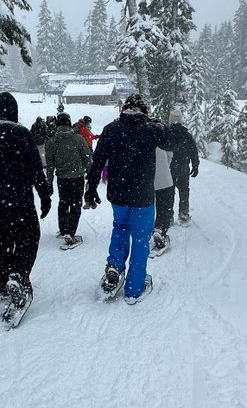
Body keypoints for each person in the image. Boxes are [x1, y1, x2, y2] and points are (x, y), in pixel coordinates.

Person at [0, 91, 50, 310]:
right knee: (29, 237)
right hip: (21, 200)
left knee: (0, 242)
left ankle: (4, 283)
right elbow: (35, 169)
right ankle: (19, 275)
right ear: (13, 110)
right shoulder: (21, 133)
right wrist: (44, 195)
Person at [85, 92, 165, 303]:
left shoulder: (111, 129)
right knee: (140, 240)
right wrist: (158, 125)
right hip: (142, 196)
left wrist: (91, 188)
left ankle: (114, 267)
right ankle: (133, 288)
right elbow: (173, 142)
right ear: (144, 112)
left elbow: (97, 161)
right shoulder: (151, 130)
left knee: (120, 229)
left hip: (118, 196)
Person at [45, 112, 91, 248]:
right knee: (76, 203)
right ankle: (71, 232)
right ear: (69, 124)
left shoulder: (52, 141)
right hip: (77, 177)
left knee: (64, 202)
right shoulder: (78, 139)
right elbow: (87, 158)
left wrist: (49, 180)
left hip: (62, 178)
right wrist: (90, 174)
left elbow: (50, 164)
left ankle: (64, 228)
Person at [168, 109, 200, 223]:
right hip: (183, 167)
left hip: (169, 168)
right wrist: (195, 166)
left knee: (169, 192)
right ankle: (183, 214)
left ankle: (168, 216)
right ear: (181, 119)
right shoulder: (186, 135)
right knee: (184, 190)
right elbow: (193, 151)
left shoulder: (166, 133)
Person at [152, 137, 174, 251]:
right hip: (164, 179)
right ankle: (160, 230)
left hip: (146, 180)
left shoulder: (141, 135)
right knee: (164, 207)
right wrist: (165, 168)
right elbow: (170, 154)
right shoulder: (161, 136)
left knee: (147, 206)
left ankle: (147, 230)